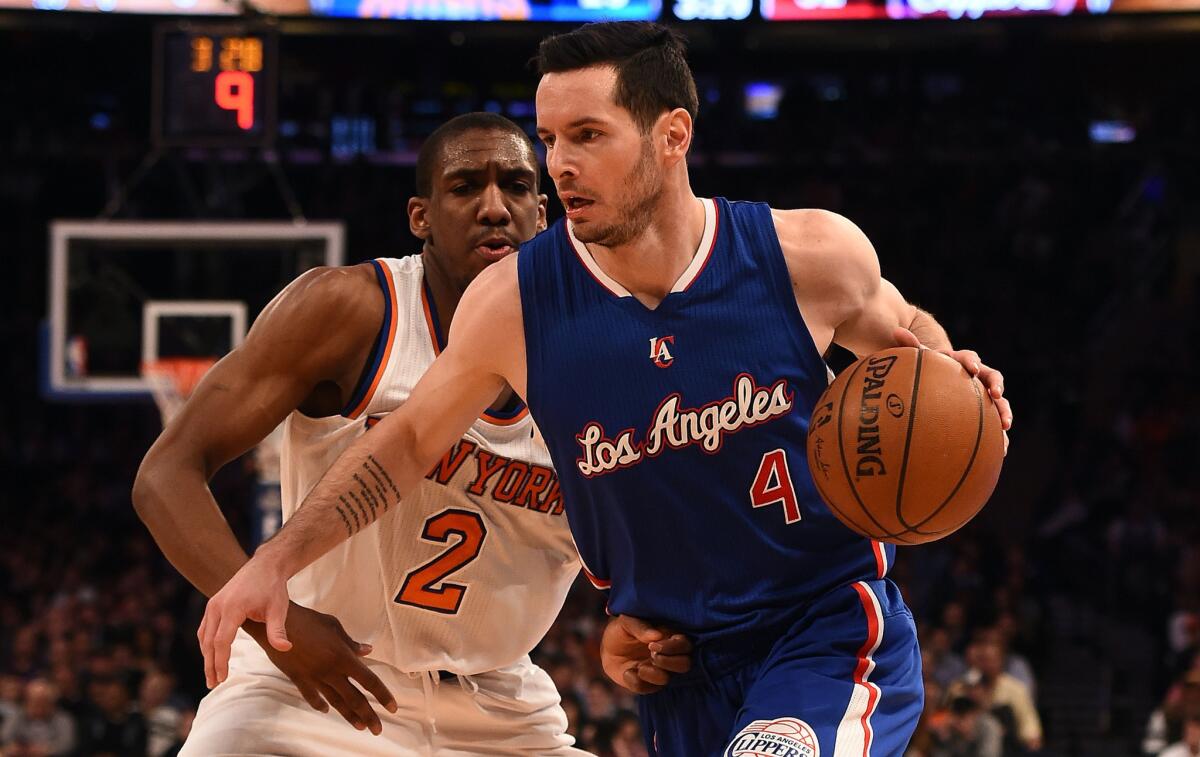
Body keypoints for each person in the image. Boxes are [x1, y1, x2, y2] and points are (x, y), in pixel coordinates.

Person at [198, 24, 1013, 756]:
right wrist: (276, 560)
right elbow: (404, 444)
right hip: (679, 671)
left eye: (588, 135)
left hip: (820, 628)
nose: (560, 164)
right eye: (552, 137)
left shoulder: (807, 256)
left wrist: (952, 373)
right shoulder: (516, 303)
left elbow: (911, 335)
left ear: (671, 135)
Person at [133, 112, 688, 755]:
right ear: (420, 216)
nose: (493, 208)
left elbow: (638, 548)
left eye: (514, 186)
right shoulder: (350, 310)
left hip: (501, 708)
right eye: (464, 187)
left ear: (544, 211)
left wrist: (632, 624)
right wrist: (275, 625)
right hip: (311, 685)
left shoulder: (608, 361)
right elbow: (165, 474)